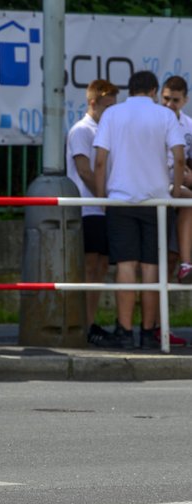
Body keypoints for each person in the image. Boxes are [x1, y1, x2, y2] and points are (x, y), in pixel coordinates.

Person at [93, 70, 185, 350]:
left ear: (130, 89)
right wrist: (176, 190)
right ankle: (148, 331)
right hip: (156, 201)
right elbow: (179, 158)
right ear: (154, 91)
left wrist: (101, 198)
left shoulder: (112, 115)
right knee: (151, 267)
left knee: (125, 266)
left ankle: (124, 330)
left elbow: (99, 161)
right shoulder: (165, 116)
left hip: (121, 199)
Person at [65, 79, 119, 348]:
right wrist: (105, 197)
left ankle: (89, 321)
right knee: (89, 267)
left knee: (99, 268)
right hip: (88, 207)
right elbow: (84, 169)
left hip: (102, 206)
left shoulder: (105, 130)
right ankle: (83, 324)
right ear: (92, 102)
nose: (111, 112)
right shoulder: (81, 130)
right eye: (107, 106)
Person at [161, 76, 192, 286]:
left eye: (175, 100)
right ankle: (187, 263)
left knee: (171, 256)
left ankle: (185, 263)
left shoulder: (189, 125)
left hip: (178, 191)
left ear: (185, 100)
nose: (169, 105)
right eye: (165, 99)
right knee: (156, 261)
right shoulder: (153, 119)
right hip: (156, 187)